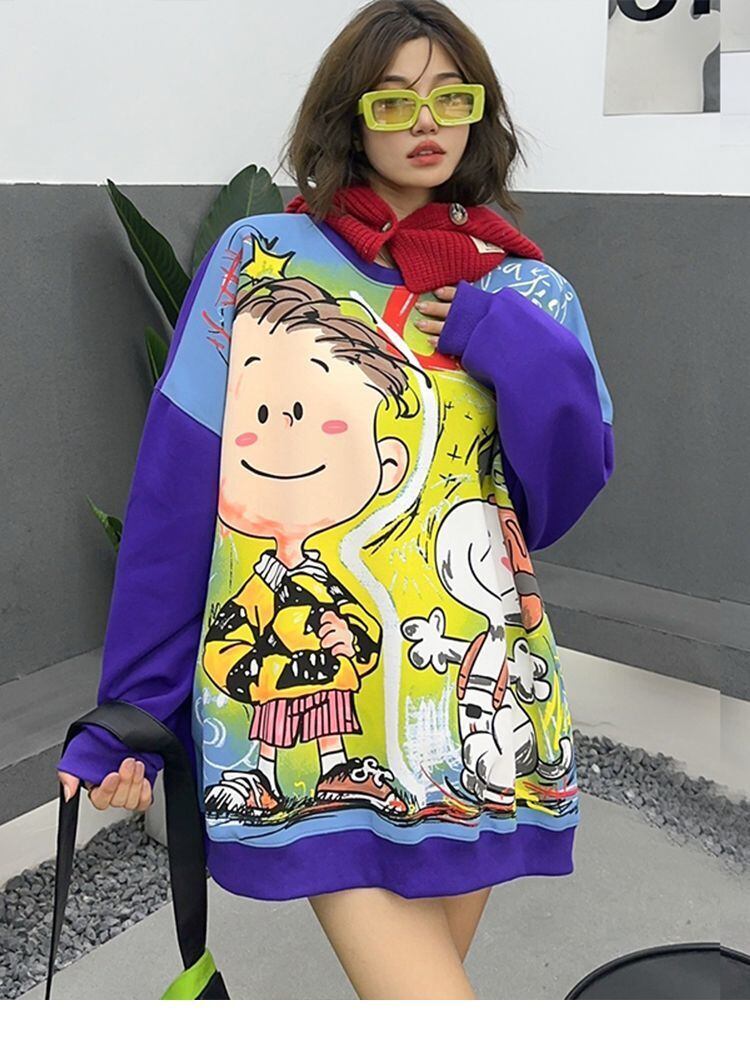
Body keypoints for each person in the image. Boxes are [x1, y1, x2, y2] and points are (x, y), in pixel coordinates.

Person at [56, 0, 614, 1000]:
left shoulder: (530, 294)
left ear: (481, 110)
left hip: (476, 717)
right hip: (310, 719)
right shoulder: (261, 261)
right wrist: (130, 706)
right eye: (392, 101)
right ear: (349, 119)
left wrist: (500, 340)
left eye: (451, 96)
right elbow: (178, 492)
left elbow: (558, 497)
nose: (425, 121)